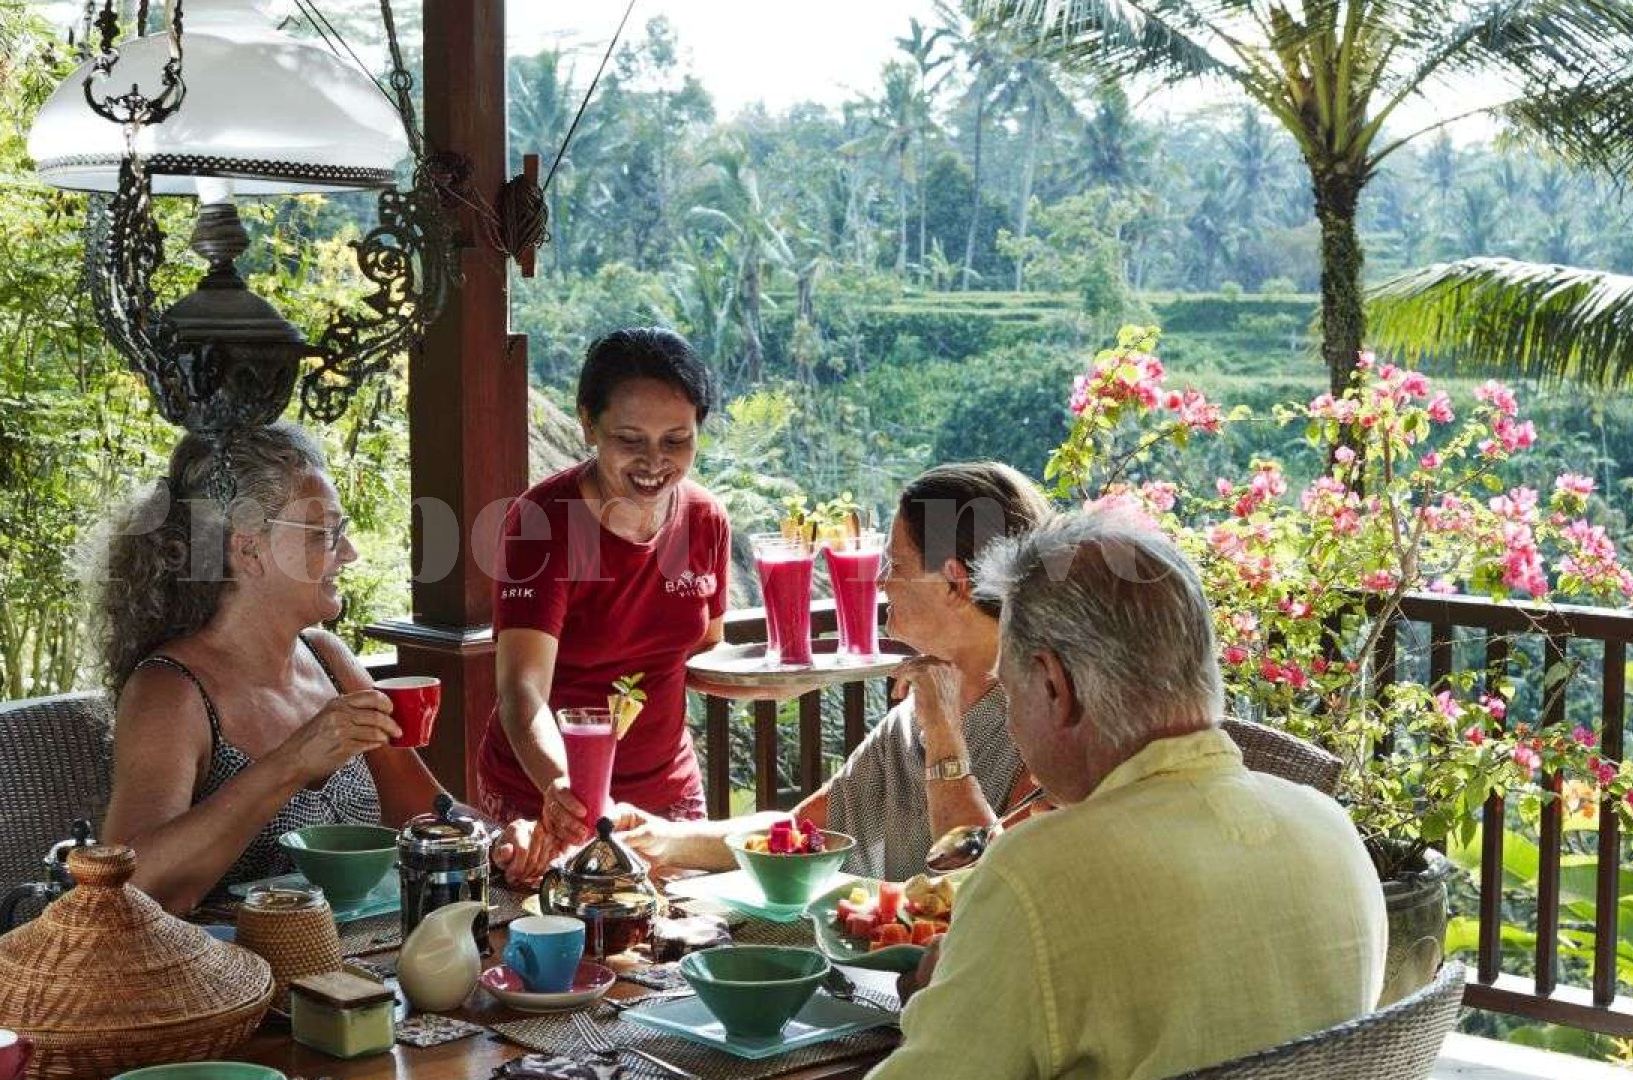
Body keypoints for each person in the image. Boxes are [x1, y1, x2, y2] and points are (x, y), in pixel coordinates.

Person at [869, 511, 1387, 1080]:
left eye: (1010, 690)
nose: (1011, 722)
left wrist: (934, 1002)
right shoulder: (1330, 827)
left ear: (1054, 686)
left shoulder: (1039, 878)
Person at [613, 462, 1053, 881]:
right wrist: (667, 840)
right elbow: (804, 831)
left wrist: (943, 733)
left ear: (955, 584)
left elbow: (985, 884)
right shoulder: (914, 713)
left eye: (896, 565)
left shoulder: (1045, 724)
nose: (879, 581)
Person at [98, 423, 450, 914]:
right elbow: (124, 889)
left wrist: (500, 839)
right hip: (231, 962)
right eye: (326, 533)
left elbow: (426, 813)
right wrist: (291, 762)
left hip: (369, 954)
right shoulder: (170, 691)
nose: (349, 552)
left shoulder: (328, 658)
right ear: (249, 550)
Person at [485, 328, 732, 883]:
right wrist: (562, 788)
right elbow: (522, 688)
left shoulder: (705, 519)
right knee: (550, 928)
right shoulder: (542, 523)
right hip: (547, 795)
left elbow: (706, 648)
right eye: (630, 439)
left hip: (665, 797)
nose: (654, 461)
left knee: (683, 929)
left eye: (676, 439)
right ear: (588, 424)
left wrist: (782, 676)